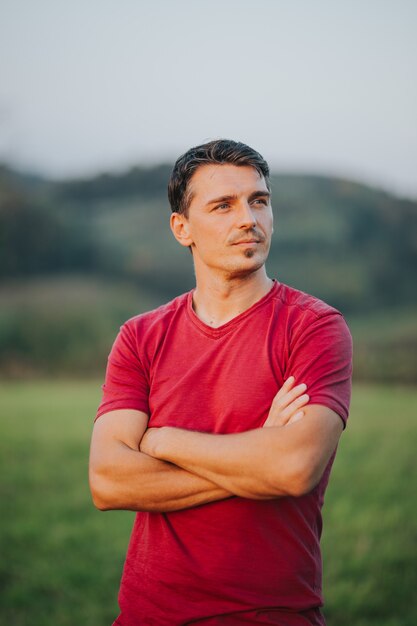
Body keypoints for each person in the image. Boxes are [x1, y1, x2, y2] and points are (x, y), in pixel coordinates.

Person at [89, 139, 352, 626]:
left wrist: (161, 441)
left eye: (259, 201)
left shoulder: (314, 327)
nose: (248, 218)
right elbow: (107, 480)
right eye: (223, 205)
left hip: (271, 614)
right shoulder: (140, 336)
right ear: (181, 228)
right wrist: (255, 459)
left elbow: (292, 468)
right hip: (147, 613)